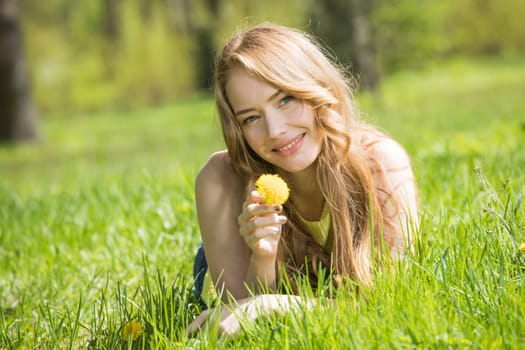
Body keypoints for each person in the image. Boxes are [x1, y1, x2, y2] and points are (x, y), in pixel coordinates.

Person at [187, 23, 418, 336]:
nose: (275, 130)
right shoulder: (221, 181)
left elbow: (387, 304)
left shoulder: (382, 166)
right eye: (251, 118)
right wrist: (263, 256)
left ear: (316, 88)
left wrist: (272, 305)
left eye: (285, 100)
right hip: (225, 246)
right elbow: (237, 318)